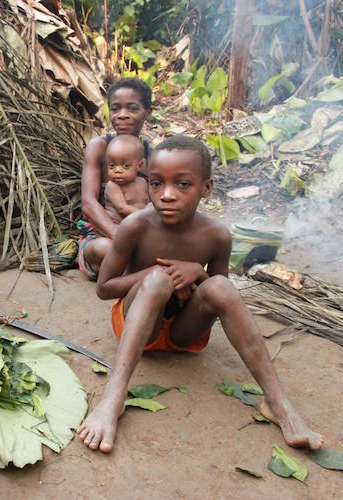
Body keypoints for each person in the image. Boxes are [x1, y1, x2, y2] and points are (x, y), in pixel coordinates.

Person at [76, 135, 323, 453]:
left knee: (221, 285)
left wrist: (199, 272)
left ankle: (278, 402)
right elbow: (104, 289)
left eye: (182, 184)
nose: (166, 195)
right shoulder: (135, 226)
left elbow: (216, 298)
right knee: (156, 283)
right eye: (156, 184)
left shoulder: (217, 236)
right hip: (139, 325)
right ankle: (114, 398)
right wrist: (156, 274)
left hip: (184, 334)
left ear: (206, 188)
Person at [78, 77, 153, 280]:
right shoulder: (99, 147)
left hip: (141, 238)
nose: (122, 116)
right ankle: (142, 271)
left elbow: (157, 203)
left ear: (148, 112)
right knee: (103, 249)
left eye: (132, 108)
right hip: (104, 235)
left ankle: (134, 271)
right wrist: (121, 237)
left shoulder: (153, 156)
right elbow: (88, 203)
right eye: (116, 109)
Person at [103, 135, 149, 224]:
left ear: (139, 165)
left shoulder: (142, 182)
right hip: (117, 227)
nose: (117, 170)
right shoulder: (113, 186)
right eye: (112, 165)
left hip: (138, 225)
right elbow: (122, 208)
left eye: (126, 166)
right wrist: (147, 216)